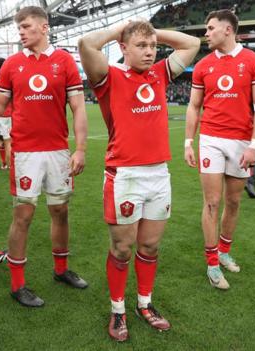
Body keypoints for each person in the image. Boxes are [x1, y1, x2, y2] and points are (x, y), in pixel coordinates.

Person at [79, 19, 199, 341]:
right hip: (125, 175)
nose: (149, 52)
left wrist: (150, 33)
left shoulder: (160, 73)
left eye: (152, 47)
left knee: (150, 245)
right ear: (122, 48)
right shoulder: (109, 76)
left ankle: (144, 304)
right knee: (122, 248)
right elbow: (86, 45)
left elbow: (192, 44)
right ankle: (117, 309)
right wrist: (123, 29)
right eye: (141, 46)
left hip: (159, 173)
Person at [0, 6, 89, 308]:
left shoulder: (64, 61)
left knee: (60, 211)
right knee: (22, 216)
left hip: (58, 151)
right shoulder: (11, 64)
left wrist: (80, 149)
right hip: (24, 153)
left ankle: (61, 270)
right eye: (19, 28)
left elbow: (78, 108)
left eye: (26, 26)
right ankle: (17, 284)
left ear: (44, 26)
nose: (21, 32)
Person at [184, 10, 255, 290]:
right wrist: (188, 141)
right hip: (210, 138)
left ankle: (223, 252)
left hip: (242, 142)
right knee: (211, 202)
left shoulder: (254, 62)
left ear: (228, 30)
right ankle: (211, 264)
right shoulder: (202, 66)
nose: (206, 33)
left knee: (233, 202)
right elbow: (194, 106)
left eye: (210, 28)